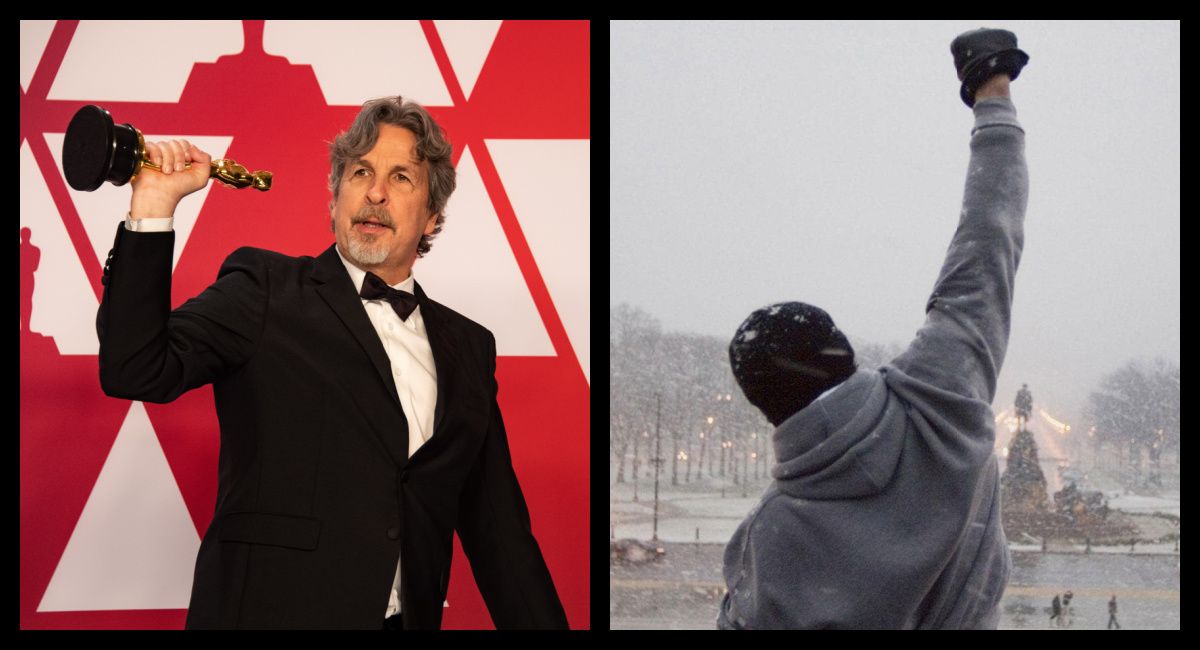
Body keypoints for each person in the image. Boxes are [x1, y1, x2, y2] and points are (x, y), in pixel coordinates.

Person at [96, 95, 568, 630]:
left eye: (401, 178)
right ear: (335, 197)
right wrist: (153, 207)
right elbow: (134, 367)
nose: (375, 192)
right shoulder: (265, 290)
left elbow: (500, 536)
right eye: (360, 171)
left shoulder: (470, 347)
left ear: (433, 216)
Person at [718, 28, 1030, 629]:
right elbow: (990, 238)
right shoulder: (940, 397)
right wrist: (993, 92)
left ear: (764, 406)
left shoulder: (770, 538)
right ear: (843, 351)